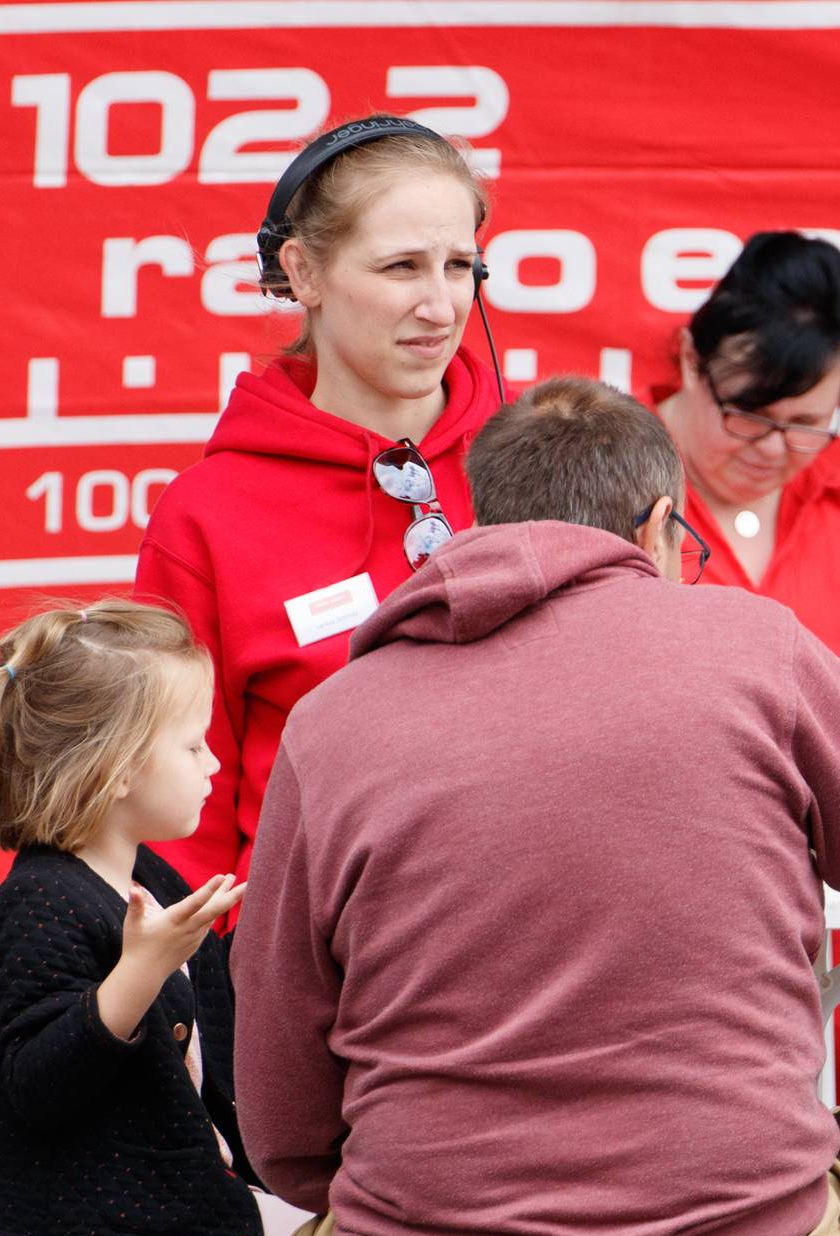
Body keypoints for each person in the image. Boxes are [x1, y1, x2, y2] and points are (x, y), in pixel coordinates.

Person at [232, 376, 840, 1236]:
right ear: (658, 527)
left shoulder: (330, 720)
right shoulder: (756, 645)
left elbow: (283, 1123)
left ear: (482, 520)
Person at [133, 115, 501, 896]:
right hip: (317, 984)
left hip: (547, 960)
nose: (441, 306)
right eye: (402, 267)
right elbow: (176, 812)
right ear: (301, 274)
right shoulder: (210, 515)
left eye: (461, 265)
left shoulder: (537, 456)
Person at [0, 601, 309, 1236]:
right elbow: (35, 1086)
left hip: (184, 1214)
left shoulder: (150, 876)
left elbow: (208, 1042)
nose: (215, 764)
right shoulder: (38, 900)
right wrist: (140, 972)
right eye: (194, 745)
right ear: (116, 770)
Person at [648, 231, 840, 683]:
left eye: (806, 423)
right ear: (691, 361)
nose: (775, 448)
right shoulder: (590, 484)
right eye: (751, 414)